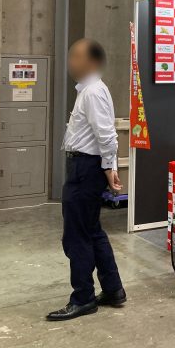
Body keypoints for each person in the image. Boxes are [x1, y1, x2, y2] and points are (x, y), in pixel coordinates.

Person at [47, 39, 126, 321]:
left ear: (92, 62)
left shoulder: (92, 91)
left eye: (76, 57)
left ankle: (83, 298)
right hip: (86, 166)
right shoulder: (89, 90)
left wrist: (109, 168)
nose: (72, 62)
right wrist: (107, 167)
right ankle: (113, 289)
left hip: (85, 169)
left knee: (76, 235)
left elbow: (106, 135)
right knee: (91, 230)